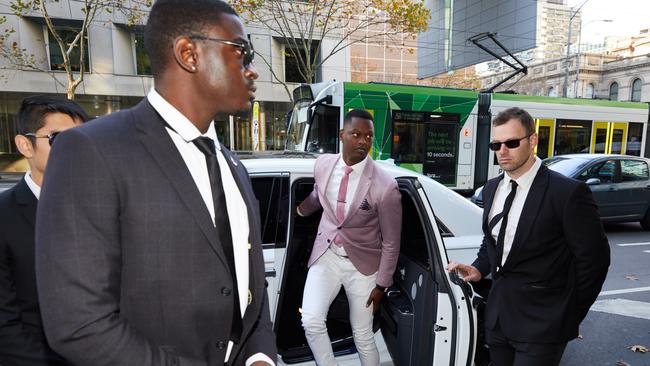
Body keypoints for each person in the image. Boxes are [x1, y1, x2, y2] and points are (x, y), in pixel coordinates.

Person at [34, 1, 276, 365]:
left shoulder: (232, 164)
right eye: (242, 52)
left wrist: (260, 355)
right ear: (188, 53)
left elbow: (248, 284)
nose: (252, 70)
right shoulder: (91, 150)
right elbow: (80, 323)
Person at [448, 107, 610, 366]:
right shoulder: (491, 189)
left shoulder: (567, 193)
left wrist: (568, 314)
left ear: (532, 141)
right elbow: (493, 240)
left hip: (543, 325)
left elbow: (595, 261)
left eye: (512, 143)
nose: (503, 151)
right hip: (499, 319)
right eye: (496, 144)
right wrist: (479, 268)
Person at [297, 109, 402, 366]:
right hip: (328, 254)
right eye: (356, 134)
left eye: (368, 136)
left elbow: (391, 241)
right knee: (310, 320)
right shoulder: (323, 165)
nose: (363, 141)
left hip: (364, 266)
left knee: (363, 335)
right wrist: (299, 210)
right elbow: (318, 196)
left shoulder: (385, 186)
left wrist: (381, 285)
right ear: (342, 135)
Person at [0, 95, 88, 365]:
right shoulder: (4, 215)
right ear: (25, 145)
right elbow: (5, 324)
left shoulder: (105, 204)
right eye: (58, 138)